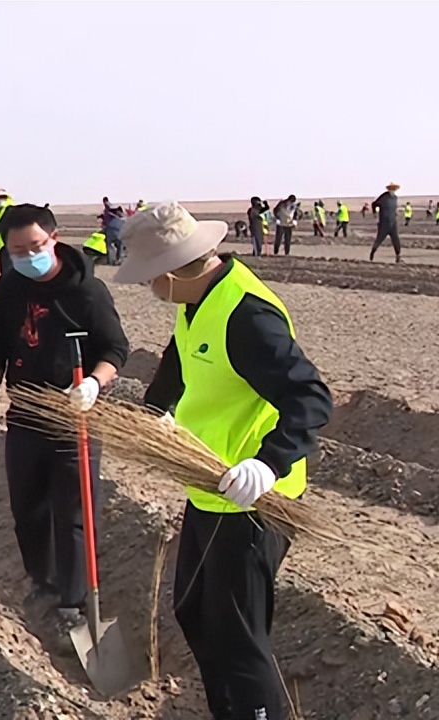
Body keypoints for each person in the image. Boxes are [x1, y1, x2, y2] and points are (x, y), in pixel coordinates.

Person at [113, 202, 331, 720]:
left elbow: (311, 397)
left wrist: (268, 465)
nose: (150, 290)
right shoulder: (197, 303)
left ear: (168, 274)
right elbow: (180, 358)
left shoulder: (246, 315)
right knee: (193, 611)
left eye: (149, 280)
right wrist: (154, 411)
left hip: (254, 500)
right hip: (209, 485)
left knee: (237, 638)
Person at [0, 203, 129, 641]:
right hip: (25, 416)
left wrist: (94, 385)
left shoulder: (87, 291)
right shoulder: (8, 288)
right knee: (28, 510)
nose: (27, 256)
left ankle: (74, 604)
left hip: (73, 419)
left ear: (53, 239)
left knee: (75, 514)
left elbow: (115, 350)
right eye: (17, 250)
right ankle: (44, 584)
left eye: (35, 246)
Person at [369, 183, 402, 262]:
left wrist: (396, 213)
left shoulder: (395, 198)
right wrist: (374, 214)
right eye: (391, 189)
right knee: (379, 239)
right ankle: (372, 252)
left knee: (396, 239)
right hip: (384, 222)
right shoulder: (383, 197)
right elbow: (374, 204)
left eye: (394, 189)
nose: (392, 190)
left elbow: (394, 208)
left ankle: (398, 256)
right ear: (388, 189)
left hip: (393, 222)